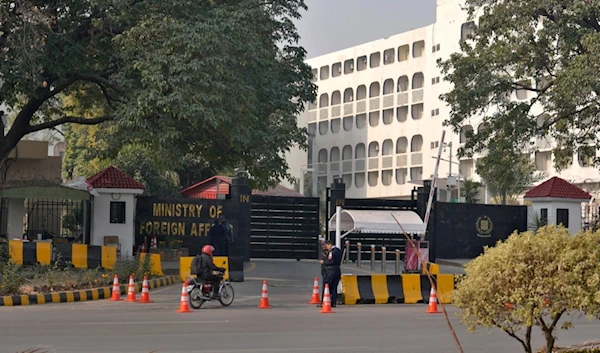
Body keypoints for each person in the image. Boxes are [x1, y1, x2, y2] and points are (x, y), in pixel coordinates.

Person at [319, 240, 342, 307]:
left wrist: (323, 262)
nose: (326, 247)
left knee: (326, 286)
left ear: (329, 244)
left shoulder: (332, 252)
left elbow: (330, 261)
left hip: (330, 270)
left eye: (326, 245)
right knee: (334, 287)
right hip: (337, 270)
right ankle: (333, 302)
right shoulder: (338, 250)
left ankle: (325, 301)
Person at [319, 238, 328, 304]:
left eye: (324, 245)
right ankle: (323, 299)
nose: (323, 246)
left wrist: (324, 262)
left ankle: (324, 300)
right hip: (324, 270)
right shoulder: (323, 252)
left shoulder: (329, 252)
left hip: (327, 270)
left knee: (326, 285)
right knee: (324, 285)